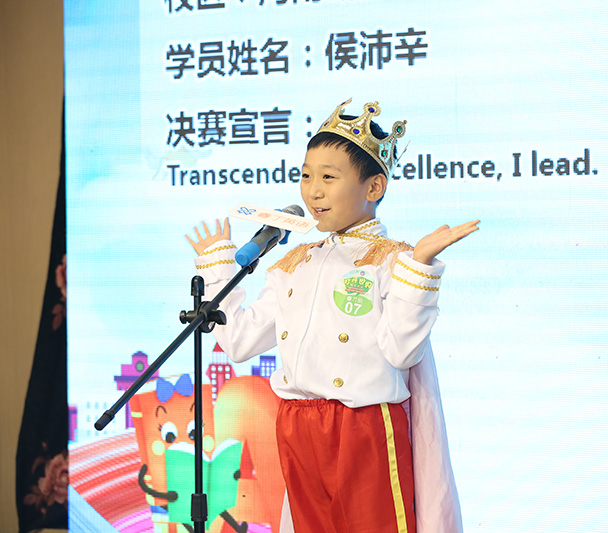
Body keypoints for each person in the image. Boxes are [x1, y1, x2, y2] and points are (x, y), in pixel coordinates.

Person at [186, 99, 479, 533]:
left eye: (328, 177)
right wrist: (217, 270)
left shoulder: (391, 261)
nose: (313, 191)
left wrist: (420, 266)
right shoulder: (293, 263)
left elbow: (402, 352)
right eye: (306, 176)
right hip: (296, 424)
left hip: (363, 426)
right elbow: (241, 341)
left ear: (374, 187)